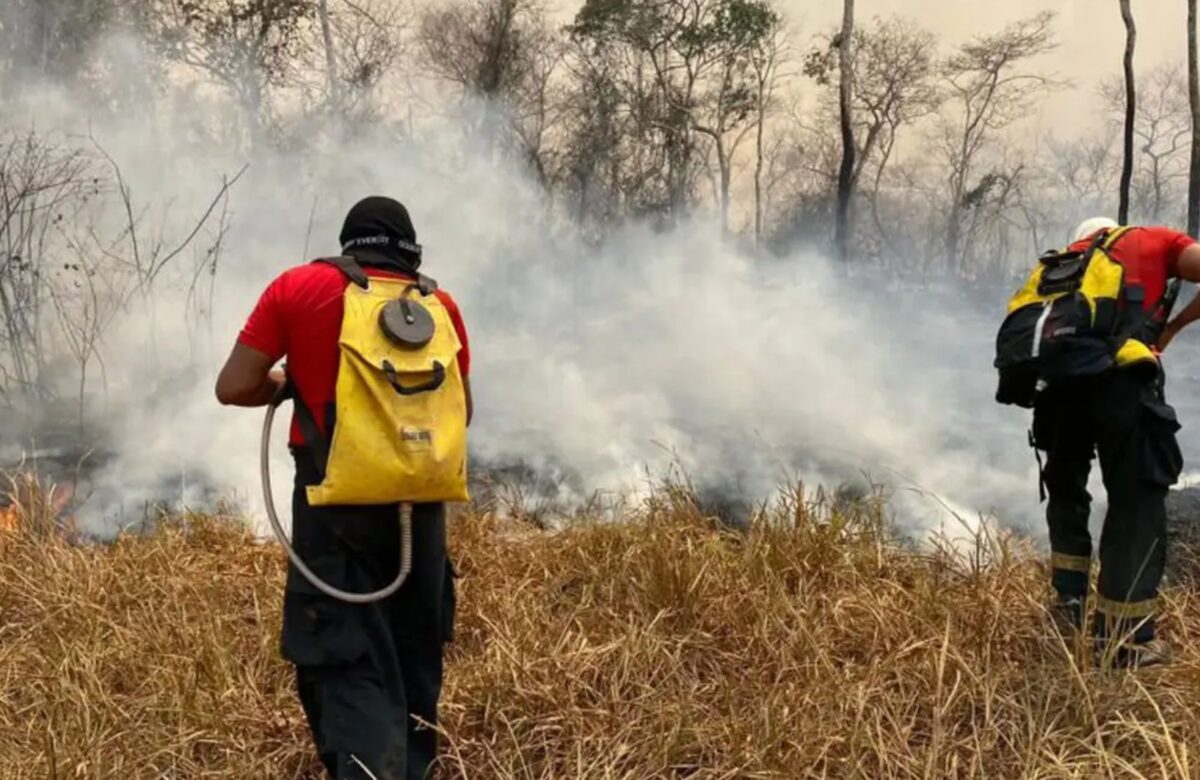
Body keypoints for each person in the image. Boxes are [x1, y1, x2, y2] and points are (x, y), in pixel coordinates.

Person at [215, 196, 472, 779]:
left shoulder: (299, 288)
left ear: (348, 243)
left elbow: (233, 386)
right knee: (414, 660)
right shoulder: (441, 305)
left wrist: (288, 383)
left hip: (334, 506)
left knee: (347, 658)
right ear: (411, 250)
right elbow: (463, 412)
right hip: (422, 509)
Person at [1032, 216, 1200, 668]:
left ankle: (1069, 605)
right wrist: (1174, 327)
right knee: (1135, 501)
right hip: (1120, 385)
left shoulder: (1067, 260)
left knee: (1066, 490)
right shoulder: (1153, 240)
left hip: (1058, 390)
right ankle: (1126, 641)